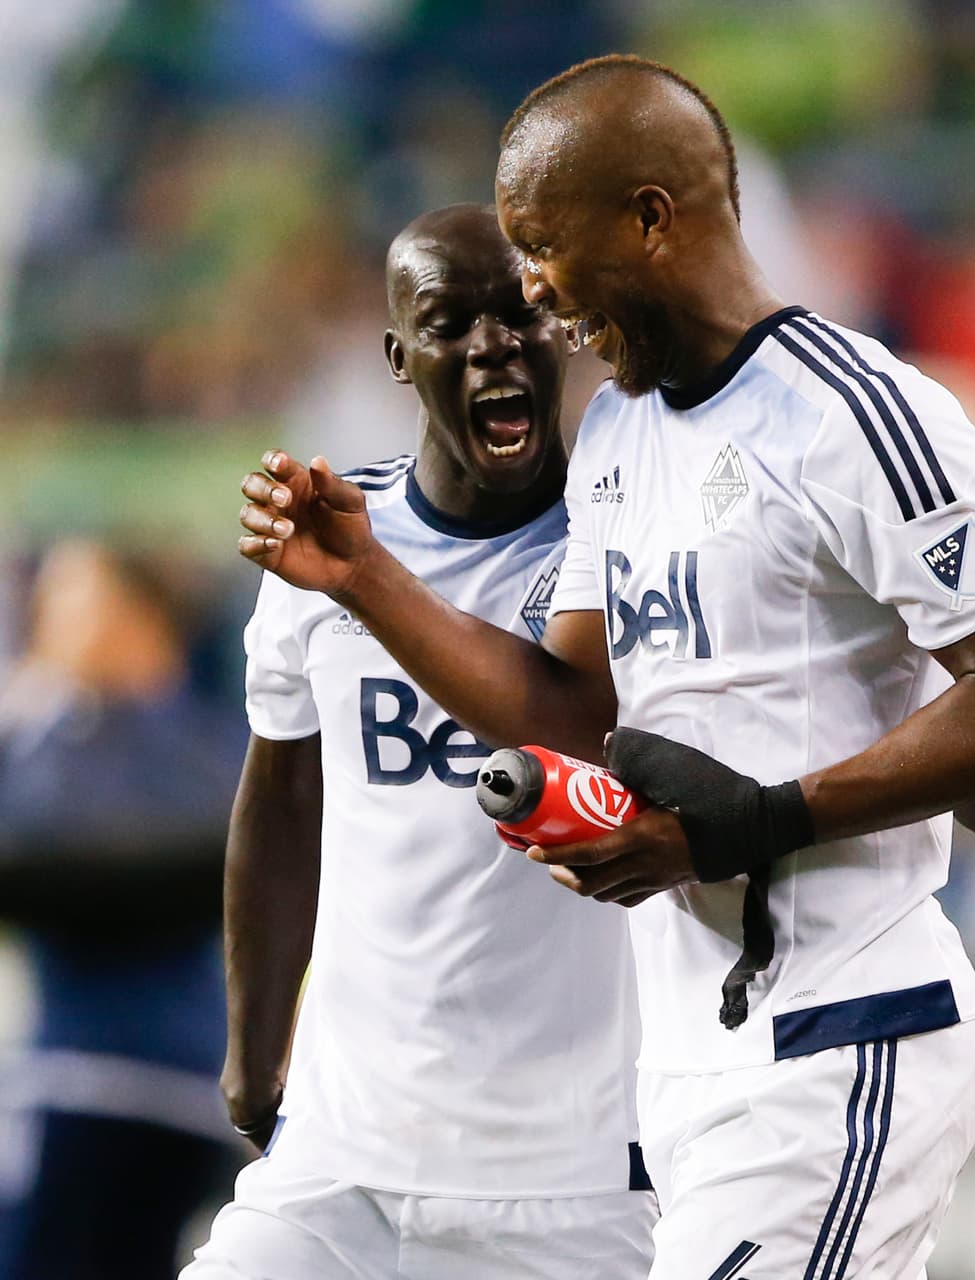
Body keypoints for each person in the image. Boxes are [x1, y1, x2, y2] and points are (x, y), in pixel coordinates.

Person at [236, 56, 975, 1280]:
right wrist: (369, 579)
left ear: (647, 218)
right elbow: (574, 707)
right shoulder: (622, 429)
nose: (533, 294)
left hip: (844, 1029)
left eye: (540, 247)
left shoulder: (858, 414)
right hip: (688, 1060)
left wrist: (748, 825)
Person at [183, 205, 656, 1280]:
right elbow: (283, 792)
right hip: (346, 1149)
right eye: (451, 322)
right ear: (400, 357)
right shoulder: (325, 538)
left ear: (565, 333)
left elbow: (587, 721)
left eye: (521, 314)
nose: (493, 344)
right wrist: (255, 1054)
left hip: (576, 1169)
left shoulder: (625, 543)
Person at [0, 540, 242, 1280]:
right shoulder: (44, 735)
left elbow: (173, 871)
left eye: (78, 600)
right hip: (71, 1072)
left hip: (175, 1085)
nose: (53, 621)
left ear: (144, 619)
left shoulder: (201, 744)